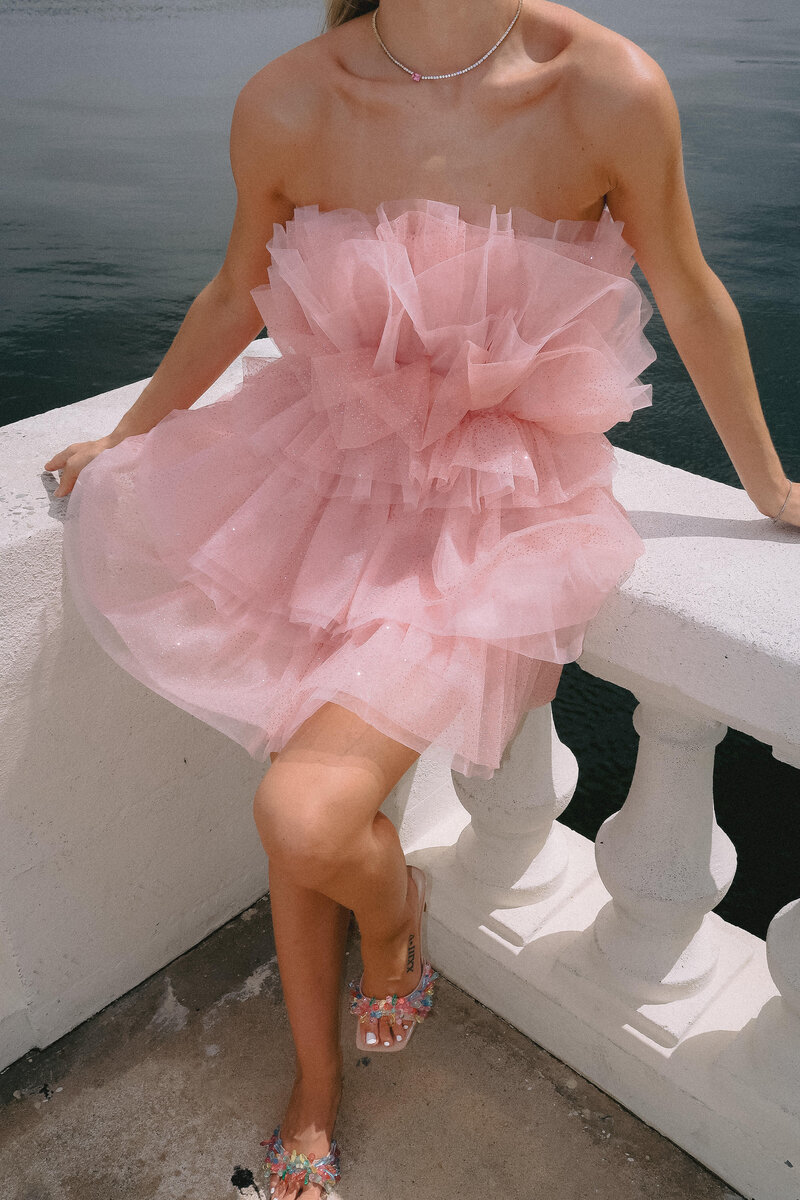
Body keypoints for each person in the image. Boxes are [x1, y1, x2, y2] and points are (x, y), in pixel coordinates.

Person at [43, 0, 798, 1195]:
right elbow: (236, 292)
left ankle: (389, 937)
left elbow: (691, 290)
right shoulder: (291, 95)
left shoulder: (604, 84)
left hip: (499, 504)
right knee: (305, 805)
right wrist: (130, 435)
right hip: (315, 475)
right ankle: (315, 1078)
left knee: (305, 813)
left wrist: (768, 484)